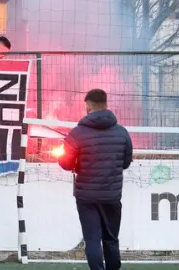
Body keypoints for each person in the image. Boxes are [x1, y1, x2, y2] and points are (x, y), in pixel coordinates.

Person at [58, 89, 134, 270]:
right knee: (111, 239)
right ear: (106, 105)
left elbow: (66, 164)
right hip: (112, 196)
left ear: (88, 106)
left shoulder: (76, 133)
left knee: (92, 239)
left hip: (87, 197)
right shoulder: (122, 132)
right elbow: (125, 162)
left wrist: (70, 160)